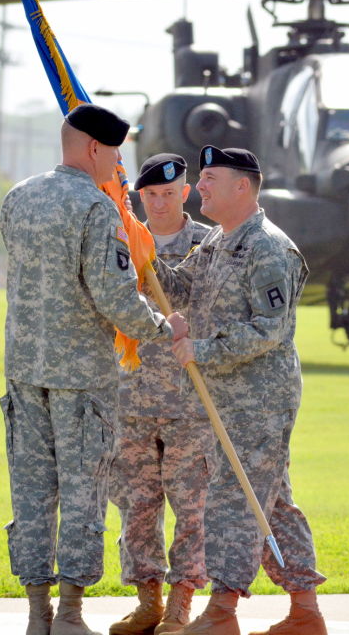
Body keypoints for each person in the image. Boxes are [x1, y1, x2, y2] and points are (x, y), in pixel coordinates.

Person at [0, 104, 187, 635]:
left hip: (24, 370)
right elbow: (113, 295)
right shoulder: (95, 207)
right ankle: (71, 615)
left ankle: (37, 615)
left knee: (32, 495)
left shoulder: (19, 197)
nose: (120, 163)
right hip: (81, 375)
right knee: (83, 491)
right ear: (94, 149)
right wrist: (161, 326)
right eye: (116, 151)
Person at [154, 146, 327, 635]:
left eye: (209, 178)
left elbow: (269, 329)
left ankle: (222, 610)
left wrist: (202, 350)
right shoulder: (214, 241)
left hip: (259, 398)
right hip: (223, 396)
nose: (200, 187)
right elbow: (178, 286)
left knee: (232, 496)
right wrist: (142, 252)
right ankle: (305, 611)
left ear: (242, 187)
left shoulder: (269, 247)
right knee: (270, 500)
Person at [109, 154, 213, 635]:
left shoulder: (208, 244)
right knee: (137, 504)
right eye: (150, 195)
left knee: (191, 506)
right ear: (139, 196)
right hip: (129, 396)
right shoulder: (122, 242)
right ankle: (147, 598)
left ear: (185, 193)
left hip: (189, 401)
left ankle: (180, 604)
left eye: (169, 194)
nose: (160, 203)